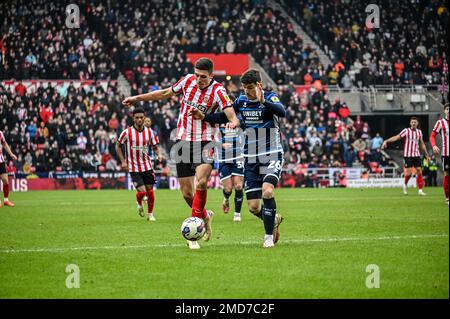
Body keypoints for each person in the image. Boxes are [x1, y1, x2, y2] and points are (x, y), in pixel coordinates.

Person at [122, 57, 239, 250]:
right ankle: (204, 216)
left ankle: (192, 235)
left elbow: (230, 113)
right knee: (186, 194)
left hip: (206, 140)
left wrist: (233, 122)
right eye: (196, 75)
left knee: (201, 181)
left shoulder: (218, 90)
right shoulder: (187, 81)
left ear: (211, 75)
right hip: (183, 141)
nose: (198, 79)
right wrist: (137, 98)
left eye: (202, 76)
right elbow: (164, 93)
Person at [191, 69, 285, 248]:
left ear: (259, 85)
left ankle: (267, 238)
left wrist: (263, 100)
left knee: (267, 191)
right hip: (250, 158)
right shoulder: (241, 101)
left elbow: (282, 112)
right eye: (244, 88)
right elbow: (224, 115)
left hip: (271, 153)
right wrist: (205, 117)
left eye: (250, 88)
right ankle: (273, 219)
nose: (247, 91)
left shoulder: (271, 98)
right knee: (254, 208)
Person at [116, 108, 160, 222]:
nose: (139, 119)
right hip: (133, 167)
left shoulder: (150, 132)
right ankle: (139, 201)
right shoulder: (126, 132)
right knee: (143, 191)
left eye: (141, 117)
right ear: (133, 118)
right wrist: (123, 161)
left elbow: (155, 146)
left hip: (147, 166)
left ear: (144, 117)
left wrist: (159, 154)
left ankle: (150, 214)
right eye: (137, 118)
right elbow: (118, 146)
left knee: (150, 191)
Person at [382, 117, 430, 196]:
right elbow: (397, 137)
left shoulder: (419, 132)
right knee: (409, 173)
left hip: (416, 154)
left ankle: (420, 190)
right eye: (412, 122)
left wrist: (426, 154)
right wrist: (386, 141)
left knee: (419, 171)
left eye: (415, 122)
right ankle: (405, 185)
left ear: (417, 123)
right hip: (408, 155)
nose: (413, 123)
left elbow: (422, 144)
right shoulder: (406, 131)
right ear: (410, 123)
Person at [217, 123, 245, 222]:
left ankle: (237, 214)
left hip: (238, 157)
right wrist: (221, 145)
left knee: (238, 186)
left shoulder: (238, 120)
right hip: (223, 160)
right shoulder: (217, 121)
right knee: (228, 189)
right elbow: (210, 140)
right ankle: (226, 199)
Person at [430, 103, 449, 204]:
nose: (448, 111)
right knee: (447, 175)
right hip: (446, 153)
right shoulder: (440, 122)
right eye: (447, 109)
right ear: (444, 111)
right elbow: (432, 136)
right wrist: (433, 146)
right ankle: (447, 198)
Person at [0, 130, 18, 207]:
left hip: (1, 160)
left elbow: (4, 143)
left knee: (5, 180)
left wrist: (11, 154)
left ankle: (6, 200)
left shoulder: (0, 133)